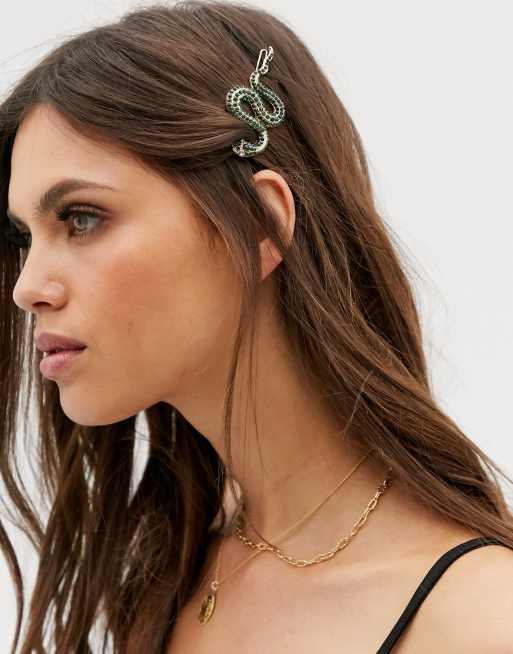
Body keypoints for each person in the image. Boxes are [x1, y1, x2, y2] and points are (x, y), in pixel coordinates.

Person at [1, 2, 512, 653]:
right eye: (24, 237)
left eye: (81, 218)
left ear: (258, 224)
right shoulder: (165, 572)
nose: (27, 288)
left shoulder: (478, 621)